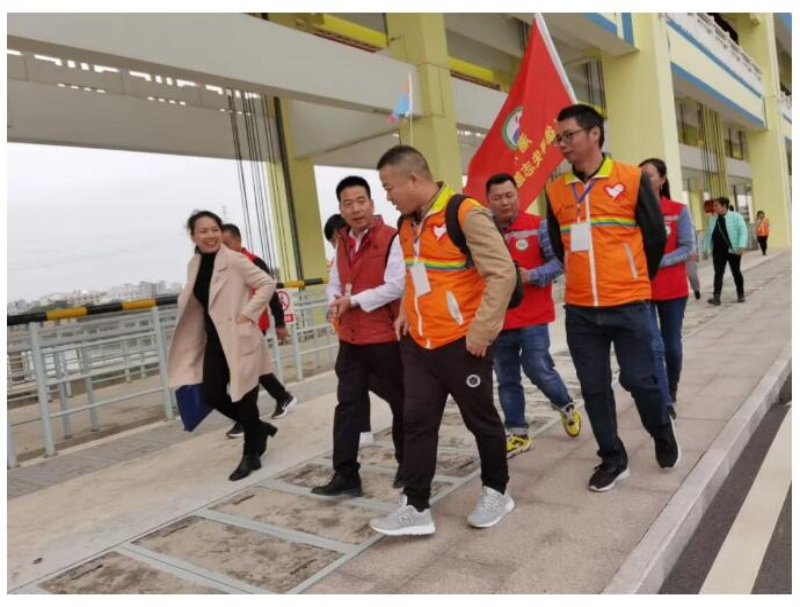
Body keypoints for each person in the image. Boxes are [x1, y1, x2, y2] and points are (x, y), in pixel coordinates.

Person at [369, 145, 517, 536]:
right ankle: (416, 506)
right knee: (417, 423)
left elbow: (502, 274)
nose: (387, 196)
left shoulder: (464, 214)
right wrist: (406, 310)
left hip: (462, 342)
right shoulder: (406, 224)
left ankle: (497, 491)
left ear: (413, 179)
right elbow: (416, 274)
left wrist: (482, 331)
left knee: (480, 419)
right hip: (420, 343)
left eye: (389, 187)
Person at [546, 104, 680, 493]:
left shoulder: (631, 178)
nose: (562, 144)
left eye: (568, 135)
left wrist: (633, 277)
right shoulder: (556, 190)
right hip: (581, 310)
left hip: (628, 303)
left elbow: (654, 237)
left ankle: (662, 431)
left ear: (595, 134)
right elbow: (558, 243)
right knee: (594, 389)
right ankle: (612, 458)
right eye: (558, 138)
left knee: (640, 379)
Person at [312, 176, 407, 497]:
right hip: (351, 340)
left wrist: (352, 301)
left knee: (402, 403)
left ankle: (408, 464)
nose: (355, 209)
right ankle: (346, 475)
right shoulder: (341, 242)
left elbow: (397, 285)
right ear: (341, 209)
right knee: (348, 406)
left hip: (385, 339)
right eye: (348, 203)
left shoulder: (392, 238)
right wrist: (335, 300)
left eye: (360, 201)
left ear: (372, 203)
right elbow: (334, 282)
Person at [168, 210, 278, 481]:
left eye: (215, 229)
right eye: (203, 231)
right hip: (214, 341)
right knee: (212, 395)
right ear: (193, 236)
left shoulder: (235, 260)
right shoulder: (194, 264)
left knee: (245, 398)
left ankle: (250, 454)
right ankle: (258, 428)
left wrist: (248, 314)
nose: (210, 235)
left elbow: (267, 283)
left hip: (239, 338)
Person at [485, 172, 581, 457]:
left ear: (518, 196)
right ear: (488, 201)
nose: (504, 202)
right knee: (506, 378)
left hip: (533, 316)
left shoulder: (538, 226)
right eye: (497, 197)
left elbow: (559, 263)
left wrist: (531, 275)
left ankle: (565, 404)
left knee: (538, 368)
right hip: (497, 319)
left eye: (509, 195)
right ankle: (518, 433)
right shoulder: (482, 231)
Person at [219, 224, 297, 442]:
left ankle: (245, 420)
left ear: (238, 241)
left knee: (244, 372)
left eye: (227, 244)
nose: (223, 250)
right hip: (234, 328)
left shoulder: (253, 262)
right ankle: (282, 397)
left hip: (252, 325)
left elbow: (271, 293)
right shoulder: (224, 267)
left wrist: (280, 323)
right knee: (253, 370)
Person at [639, 158, 697, 419]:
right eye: (640, 175)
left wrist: (657, 261)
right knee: (654, 346)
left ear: (662, 180)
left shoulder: (678, 210)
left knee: (672, 346)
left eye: (649, 175)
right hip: (643, 290)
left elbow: (688, 247)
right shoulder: (632, 213)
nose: (644, 179)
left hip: (673, 290)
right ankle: (664, 400)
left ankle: (671, 386)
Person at [324, 213, 374, 450]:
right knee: (352, 379)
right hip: (347, 331)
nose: (336, 245)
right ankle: (362, 428)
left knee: (383, 382)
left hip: (371, 329)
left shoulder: (368, 253)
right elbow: (332, 288)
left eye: (336, 240)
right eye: (333, 242)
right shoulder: (337, 260)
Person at [703, 197, 748, 305]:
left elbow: (743, 231)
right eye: (714, 205)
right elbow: (708, 234)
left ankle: (741, 294)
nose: (714, 208)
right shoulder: (713, 219)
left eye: (716, 205)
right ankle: (716, 297)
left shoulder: (736, 216)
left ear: (724, 206)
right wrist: (705, 248)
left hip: (733, 249)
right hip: (718, 251)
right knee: (718, 273)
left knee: (736, 272)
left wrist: (741, 245)